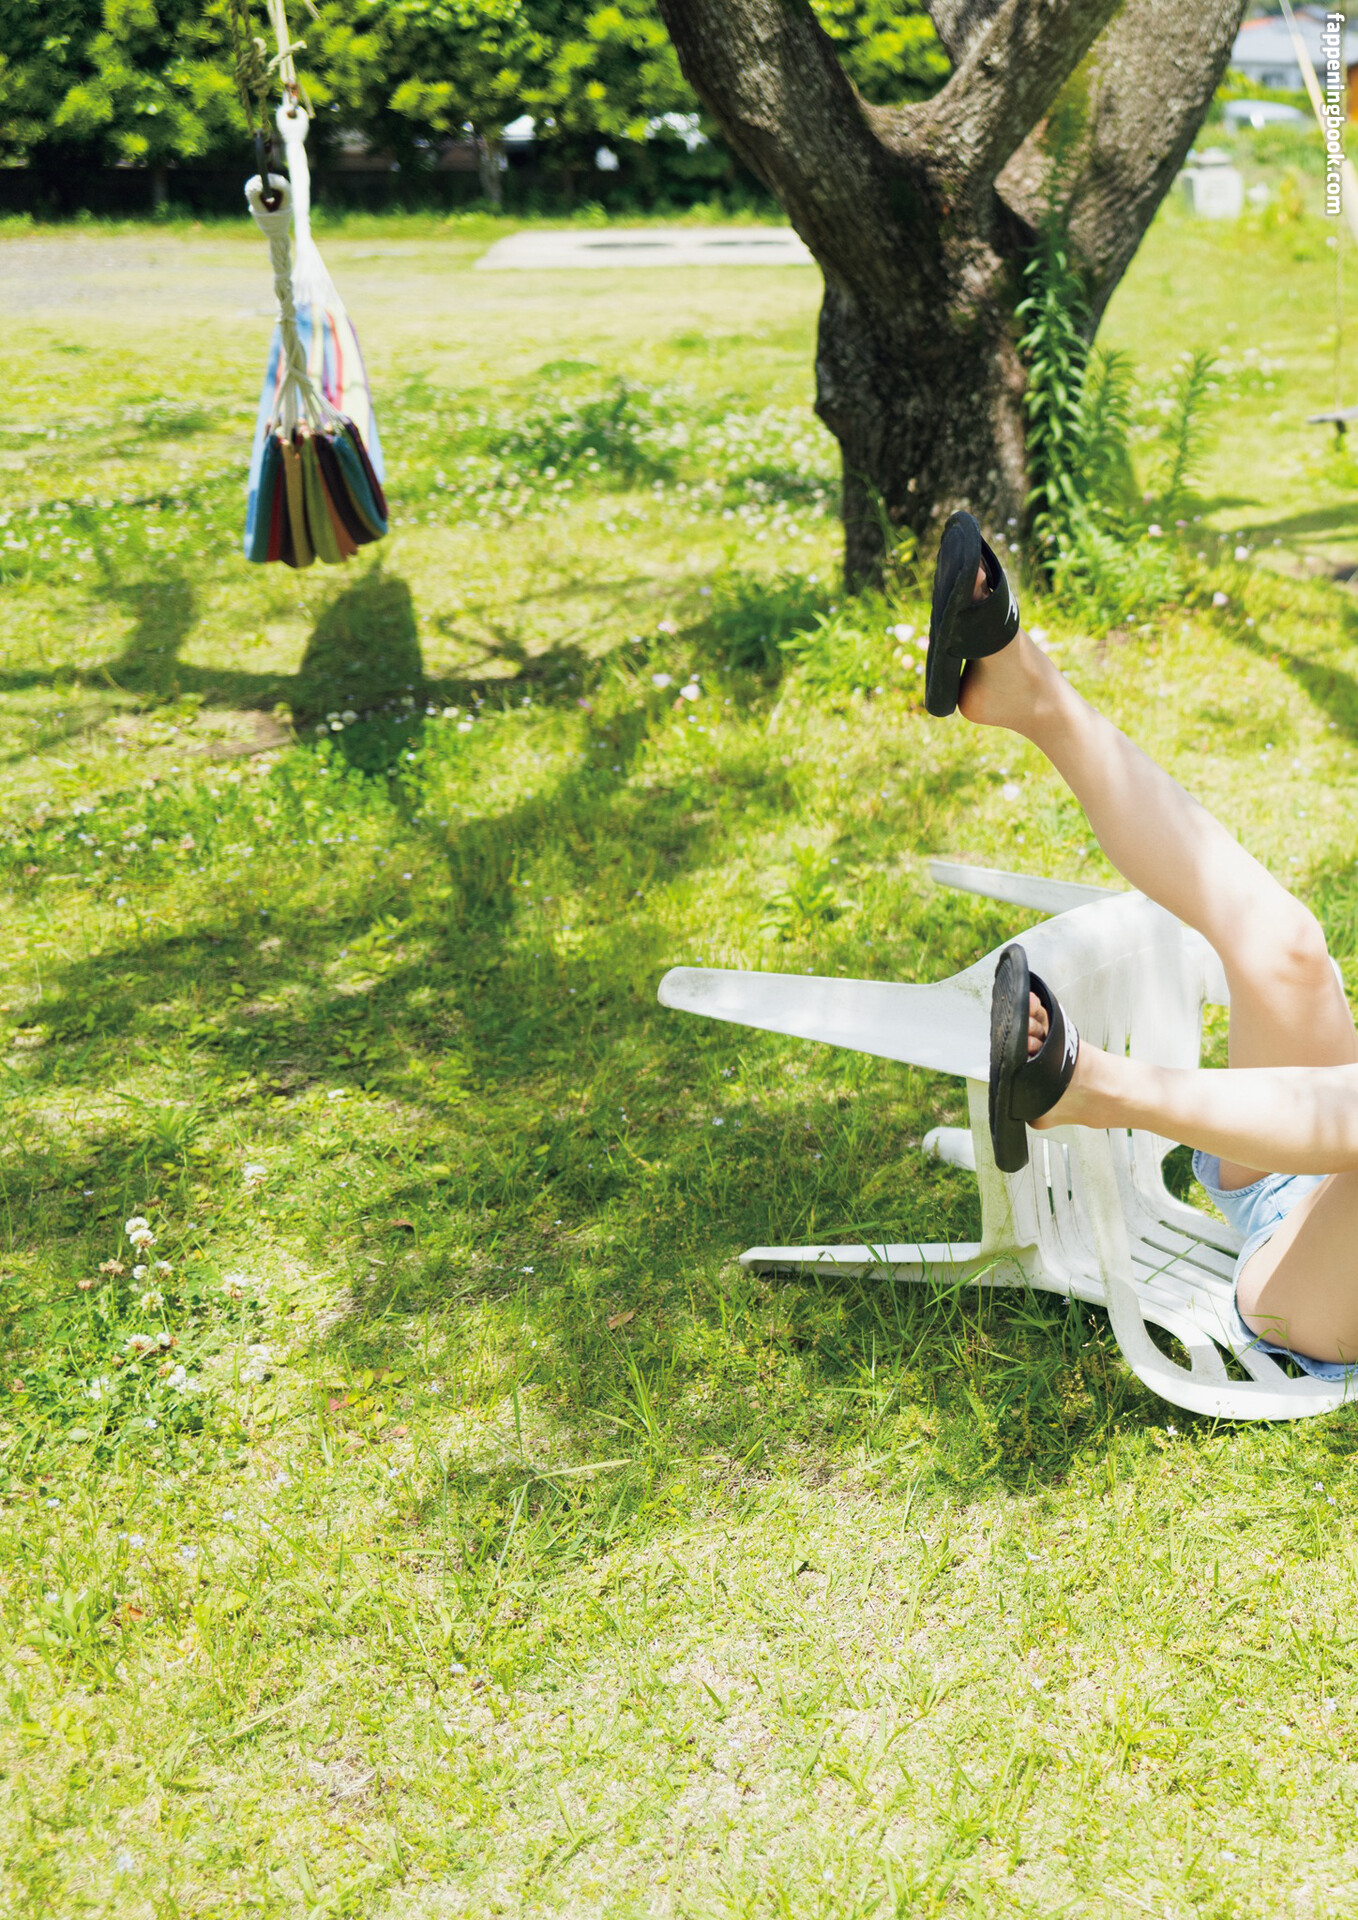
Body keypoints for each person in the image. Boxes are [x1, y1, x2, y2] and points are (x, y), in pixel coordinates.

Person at [927, 511, 1358, 1378]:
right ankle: (1030, 691)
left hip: (1321, 1286)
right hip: (1310, 1170)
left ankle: (1089, 1088)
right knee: (1285, 944)